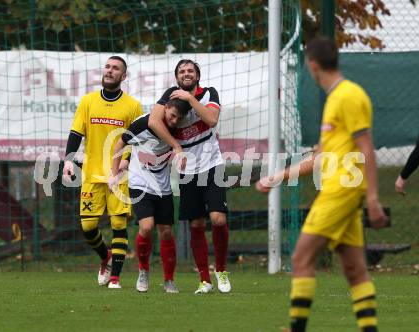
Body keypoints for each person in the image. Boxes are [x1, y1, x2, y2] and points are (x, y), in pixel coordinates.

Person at [256, 37, 388, 332]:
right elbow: (319, 158)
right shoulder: (335, 99)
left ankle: (296, 328)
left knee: (301, 258)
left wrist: (373, 198)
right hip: (341, 191)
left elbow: (366, 148)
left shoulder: (348, 96)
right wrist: (277, 177)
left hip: (342, 191)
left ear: (313, 65)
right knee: (354, 269)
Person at [148, 59, 231, 294]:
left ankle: (221, 271)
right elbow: (155, 121)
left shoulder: (208, 93)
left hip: (212, 165)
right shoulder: (169, 95)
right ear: (176, 77)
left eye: (190, 71)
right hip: (188, 170)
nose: (186, 74)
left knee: (218, 219)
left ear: (197, 75)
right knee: (196, 223)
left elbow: (212, 119)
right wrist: (176, 146)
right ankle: (204, 280)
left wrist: (190, 100)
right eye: (182, 71)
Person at [63, 56, 143, 289]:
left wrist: (125, 163)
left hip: (118, 176)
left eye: (115, 68)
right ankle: (105, 258)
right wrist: (69, 160)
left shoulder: (132, 106)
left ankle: (115, 277)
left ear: (123, 76)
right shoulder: (88, 101)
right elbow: (76, 133)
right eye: (107, 67)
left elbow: (135, 140)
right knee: (88, 227)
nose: (109, 71)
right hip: (91, 174)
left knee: (119, 224)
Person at [111, 98, 191, 293]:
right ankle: (143, 271)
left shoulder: (178, 130)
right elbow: (119, 144)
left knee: (166, 232)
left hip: (162, 188)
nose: (173, 121)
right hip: (140, 184)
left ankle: (169, 279)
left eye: (178, 119)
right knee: (146, 227)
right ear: (165, 108)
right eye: (172, 115)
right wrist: (114, 175)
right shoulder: (143, 123)